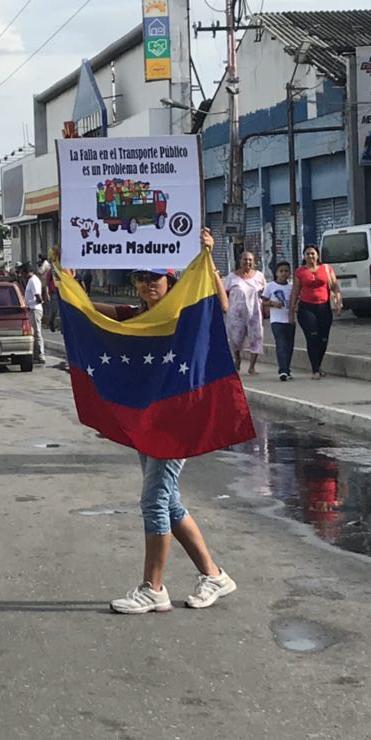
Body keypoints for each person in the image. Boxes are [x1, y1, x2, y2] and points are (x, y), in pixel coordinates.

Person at [75, 229, 237, 613]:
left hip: (177, 419)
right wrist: (66, 280)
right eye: (142, 278)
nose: (149, 284)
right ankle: (214, 575)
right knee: (170, 503)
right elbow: (95, 311)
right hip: (149, 421)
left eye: (156, 277)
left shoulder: (186, 311)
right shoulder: (135, 316)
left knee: (153, 501)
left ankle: (153, 588)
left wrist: (207, 257)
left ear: (171, 281)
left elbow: (222, 306)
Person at [289, 244, 341, 380]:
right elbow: (295, 291)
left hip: (323, 307)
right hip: (307, 308)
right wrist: (291, 309)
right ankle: (315, 369)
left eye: (312, 253)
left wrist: (338, 301)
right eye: (307, 254)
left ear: (317, 255)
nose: (310, 256)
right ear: (304, 256)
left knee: (323, 339)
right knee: (312, 337)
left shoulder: (327, 269)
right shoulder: (300, 271)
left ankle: (319, 364)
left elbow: (335, 287)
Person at [224, 250, 266, 375]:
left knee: (257, 338)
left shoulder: (259, 276)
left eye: (250, 260)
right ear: (240, 261)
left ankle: (252, 367)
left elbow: (266, 293)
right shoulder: (231, 277)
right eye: (245, 259)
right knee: (235, 339)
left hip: (255, 312)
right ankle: (237, 358)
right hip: (236, 314)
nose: (247, 262)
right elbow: (224, 294)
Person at [262, 262, 295, 381]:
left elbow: (296, 300)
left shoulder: (291, 287)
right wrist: (272, 303)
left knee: (289, 346)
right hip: (277, 320)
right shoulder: (270, 286)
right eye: (281, 271)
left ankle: (287, 368)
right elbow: (263, 301)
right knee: (280, 344)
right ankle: (283, 370)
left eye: (286, 271)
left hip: (289, 320)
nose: (284, 273)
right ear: (276, 273)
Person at [19, 262, 45, 364]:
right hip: (32, 308)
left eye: (22, 272)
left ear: (26, 272)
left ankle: (40, 355)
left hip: (34, 309)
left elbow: (38, 295)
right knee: (33, 333)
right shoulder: (31, 280)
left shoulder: (33, 281)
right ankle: (36, 355)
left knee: (37, 333)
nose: (21, 275)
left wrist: (37, 302)